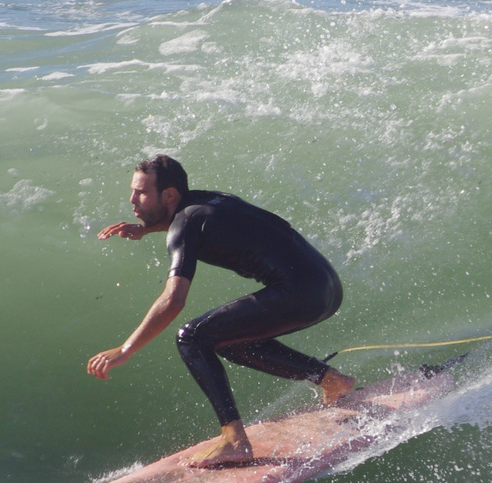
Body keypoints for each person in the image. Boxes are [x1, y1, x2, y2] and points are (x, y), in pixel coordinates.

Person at [86, 155, 356, 466]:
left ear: (169, 195)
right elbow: (189, 222)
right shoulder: (205, 201)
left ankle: (234, 439)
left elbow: (173, 300)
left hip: (300, 293)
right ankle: (330, 379)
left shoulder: (184, 224)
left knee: (192, 338)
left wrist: (126, 349)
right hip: (326, 287)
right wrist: (147, 228)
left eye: (142, 193)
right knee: (225, 339)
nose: (132, 200)